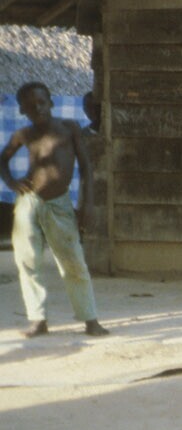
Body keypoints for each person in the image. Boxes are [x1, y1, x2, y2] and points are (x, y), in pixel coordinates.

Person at [1, 81, 105, 338]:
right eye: (30, 106)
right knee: (28, 261)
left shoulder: (69, 128)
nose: (37, 108)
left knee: (73, 261)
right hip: (28, 203)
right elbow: (2, 160)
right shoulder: (23, 134)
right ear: (22, 110)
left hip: (60, 204)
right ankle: (38, 320)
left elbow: (86, 167)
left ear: (51, 103)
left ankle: (90, 318)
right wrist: (12, 182)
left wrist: (87, 204)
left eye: (41, 102)